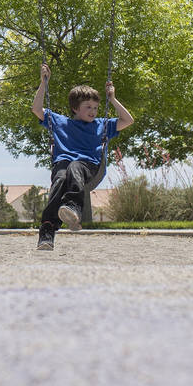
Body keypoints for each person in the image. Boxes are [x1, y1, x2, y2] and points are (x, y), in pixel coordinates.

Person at [31, 64, 134, 250]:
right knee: (61, 178)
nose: (93, 111)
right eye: (88, 107)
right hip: (62, 165)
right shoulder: (60, 122)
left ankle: (73, 206)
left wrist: (113, 100)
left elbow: (128, 120)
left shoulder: (102, 125)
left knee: (74, 167)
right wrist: (43, 84)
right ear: (75, 108)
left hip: (89, 168)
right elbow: (37, 109)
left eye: (95, 107)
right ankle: (47, 232)